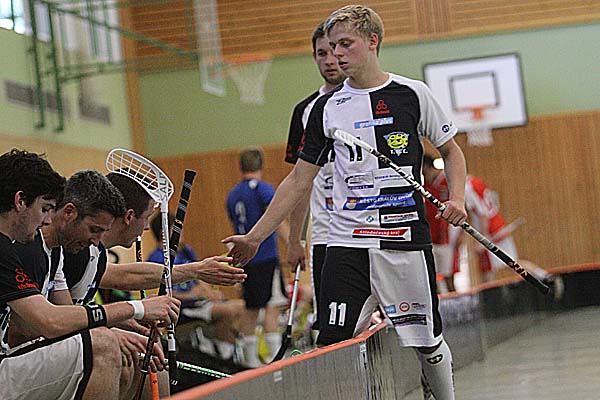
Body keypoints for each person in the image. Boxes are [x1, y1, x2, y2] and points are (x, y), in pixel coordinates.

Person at [223, 6, 468, 400]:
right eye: (331, 46)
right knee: (333, 345)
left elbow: (451, 151)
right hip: (345, 243)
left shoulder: (412, 94)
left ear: (372, 41)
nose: (336, 54)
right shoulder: (324, 109)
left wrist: (457, 198)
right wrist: (255, 237)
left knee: (426, 342)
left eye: (345, 44)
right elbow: (298, 181)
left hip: (404, 242)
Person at [0, 149, 180, 400]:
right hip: (9, 364)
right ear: (20, 201)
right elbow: (46, 322)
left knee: (124, 346)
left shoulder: (39, 251)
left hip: (10, 365)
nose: (46, 221)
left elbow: (67, 316)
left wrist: (122, 323)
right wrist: (135, 309)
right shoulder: (20, 249)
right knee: (103, 345)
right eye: (45, 208)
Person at [284, 21, 345, 337]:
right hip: (326, 236)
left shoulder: (373, 99)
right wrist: (295, 240)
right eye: (322, 54)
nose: (330, 60)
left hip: (373, 233)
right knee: (330, 328)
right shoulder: (305, 111)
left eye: (334, 52)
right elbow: (299, 182)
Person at [148, 212, 242, 361]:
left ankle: (223, 349)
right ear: (163, 233)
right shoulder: (156, 259)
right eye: (177, 229)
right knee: (228, 311)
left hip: (200, 303)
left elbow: (200, 277)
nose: (182, 233)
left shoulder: (186, 251)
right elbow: (159, 294)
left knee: (241, 307)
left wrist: (210, 293)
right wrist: (191, 295)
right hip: (184, 308)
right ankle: (224, 358)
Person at [226, 148, 289, 368]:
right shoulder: (263, 189)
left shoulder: (233, 195)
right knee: (273, 306)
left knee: (251, 308)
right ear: (261, 165)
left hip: (247, 259)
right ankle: (276, 359)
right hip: (265, 256)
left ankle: (250, 361)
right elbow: (276, 218)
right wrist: (293, 243)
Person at [422, 154, 462, 292]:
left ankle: (456, 300)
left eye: (424, 172)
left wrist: (460, 235)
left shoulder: (447, 181)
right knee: (434, 274)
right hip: (432, 236)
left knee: (449, 275)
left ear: (427, 167)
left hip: (447, 236)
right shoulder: (425, 186)